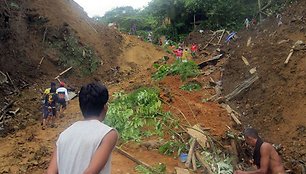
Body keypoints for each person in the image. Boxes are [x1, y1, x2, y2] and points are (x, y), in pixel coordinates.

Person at [47, 82, 118, 174]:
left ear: (81, 107)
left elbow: (50, 172)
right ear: (105, 108)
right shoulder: (108, 134)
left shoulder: (64, 134)